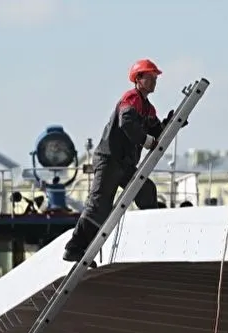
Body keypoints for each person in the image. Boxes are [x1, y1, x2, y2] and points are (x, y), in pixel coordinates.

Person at [63, 59, 185, 262]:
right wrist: (146, 140)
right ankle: (74, 248)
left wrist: (173, 124)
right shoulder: (131, 98)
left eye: (155, 77)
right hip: (110, 159)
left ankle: (155, 235)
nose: (154, 81)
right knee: (99, 205)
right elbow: (126, 122)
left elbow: (157, 132)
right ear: (138, 79)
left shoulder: (148, 108)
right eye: (150, 77)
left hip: (124, 163)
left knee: (146, 190)